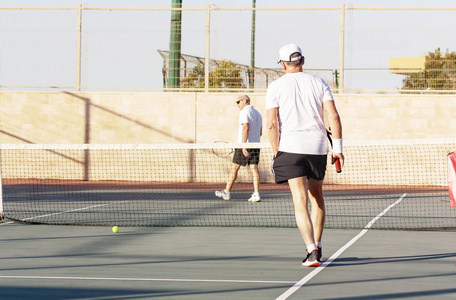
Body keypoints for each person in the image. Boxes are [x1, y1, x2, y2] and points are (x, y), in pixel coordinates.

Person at [266, 44, 344, 267]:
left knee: (299, 201)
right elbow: (334, 117)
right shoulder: (319, 82)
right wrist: (337, 148)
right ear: (303, 61)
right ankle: (317, 246)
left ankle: (311, 251)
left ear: (282, 64)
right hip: (317, 148)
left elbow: (271, 124)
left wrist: (276, 153)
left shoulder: (275, 86)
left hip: (290, 148)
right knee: (316, 197)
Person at [215, 95, 263, 202]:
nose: (237, 104)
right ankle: (256, 194)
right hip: (255, 145)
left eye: (238, 101)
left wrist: (243, 145)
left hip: (244, 145)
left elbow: (245, 128)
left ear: (245, 101)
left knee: (234, 168)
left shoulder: (244, 112)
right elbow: (260, 132)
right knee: (254, 169)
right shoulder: (258, 114)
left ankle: (227, 192)